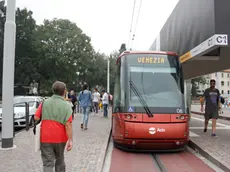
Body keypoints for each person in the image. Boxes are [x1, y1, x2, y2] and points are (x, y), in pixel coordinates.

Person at [34, 81, 73, 172]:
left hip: (45, 137)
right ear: (64, 92)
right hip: (60, 138)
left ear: (53, 90)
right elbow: (68, 125)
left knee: (47, 163)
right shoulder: (67, 106)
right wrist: (70, 140)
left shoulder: (44, 103)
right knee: (60, 159)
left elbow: (36, 117)